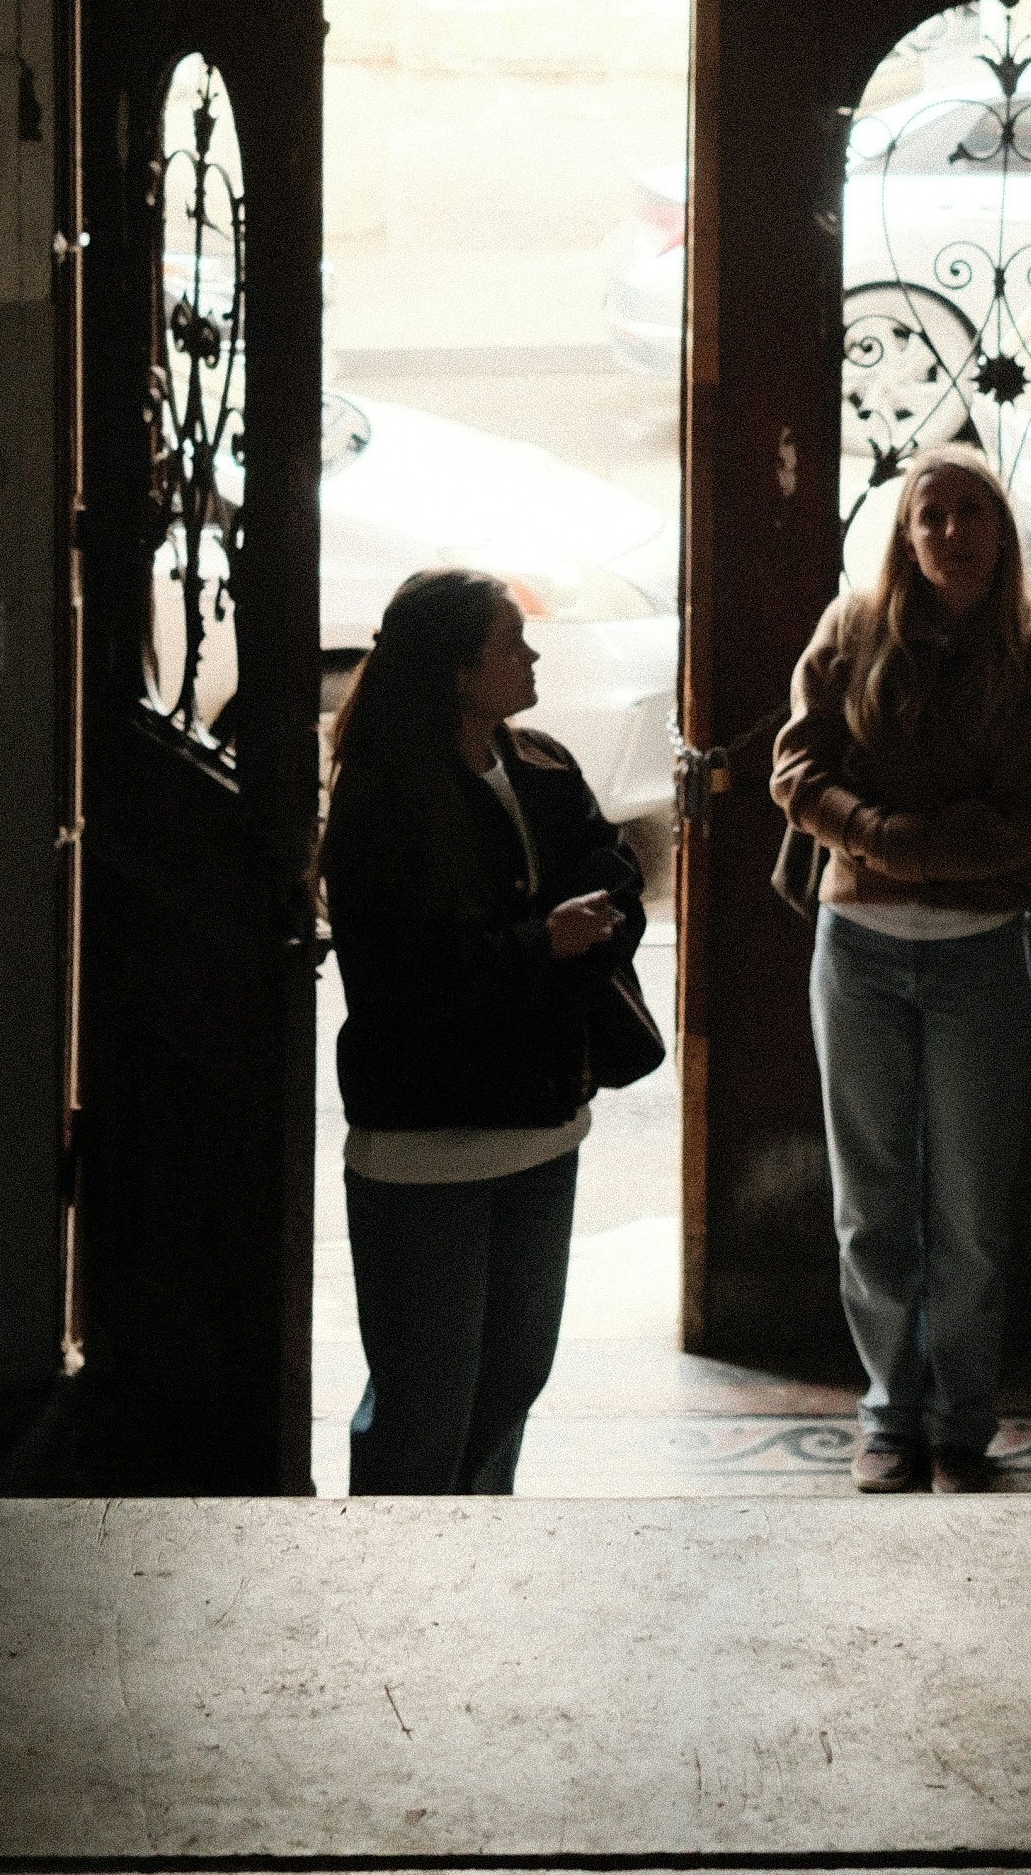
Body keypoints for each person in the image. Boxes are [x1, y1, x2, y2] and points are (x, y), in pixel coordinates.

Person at [769, 444, 1031, 1494]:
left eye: (972, 514)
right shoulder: (852, 633)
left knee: (970, 1215)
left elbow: (1024, 826)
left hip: (979, 962)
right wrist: (886, 835)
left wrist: (890, 845)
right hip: (856, 953)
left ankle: (963, 1422)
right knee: (872, 1204)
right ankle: (888, 1413)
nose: (952, 533)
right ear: (905, 536)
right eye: (931, 516)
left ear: (1004, 530)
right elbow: (797, 768)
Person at [321, 562, 646, 1494]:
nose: (532, 651)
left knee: (515, 1377)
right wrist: (540, 941)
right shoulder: (384, 797)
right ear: (459, 671)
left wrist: (569, 928)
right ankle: (396, 1591)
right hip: (427, 1145)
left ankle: (475, 1571)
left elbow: (612, 868)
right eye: (511, 640)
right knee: (424, 1405)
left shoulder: (539, 762)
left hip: (541, 1126)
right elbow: (397, 978)